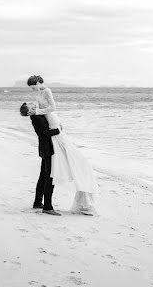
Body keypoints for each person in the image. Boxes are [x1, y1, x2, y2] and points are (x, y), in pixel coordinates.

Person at [26, 75, 98, 215]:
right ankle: (43, 205)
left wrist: (38, 112)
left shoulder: (47, 91)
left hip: (52, 122)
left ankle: (40, 203)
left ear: (39, 82)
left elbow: (53, 107)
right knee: (48, 173)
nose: (33, 90)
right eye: (31, 88)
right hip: (51, 129)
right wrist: (39, 114)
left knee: (49, 171)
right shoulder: (39, 96)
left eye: (34, 87)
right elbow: (45, 119)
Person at [19, 101, 61, 216]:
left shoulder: (36, 115)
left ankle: (38, 202)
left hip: (44, 149)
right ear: (29, 110)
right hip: (47, 149)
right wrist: (59, 130)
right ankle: (47, 207)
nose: (31, 102)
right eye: (29, 104)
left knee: (43, 176)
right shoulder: (36, 117)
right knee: (49, 177)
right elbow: (47, 133)